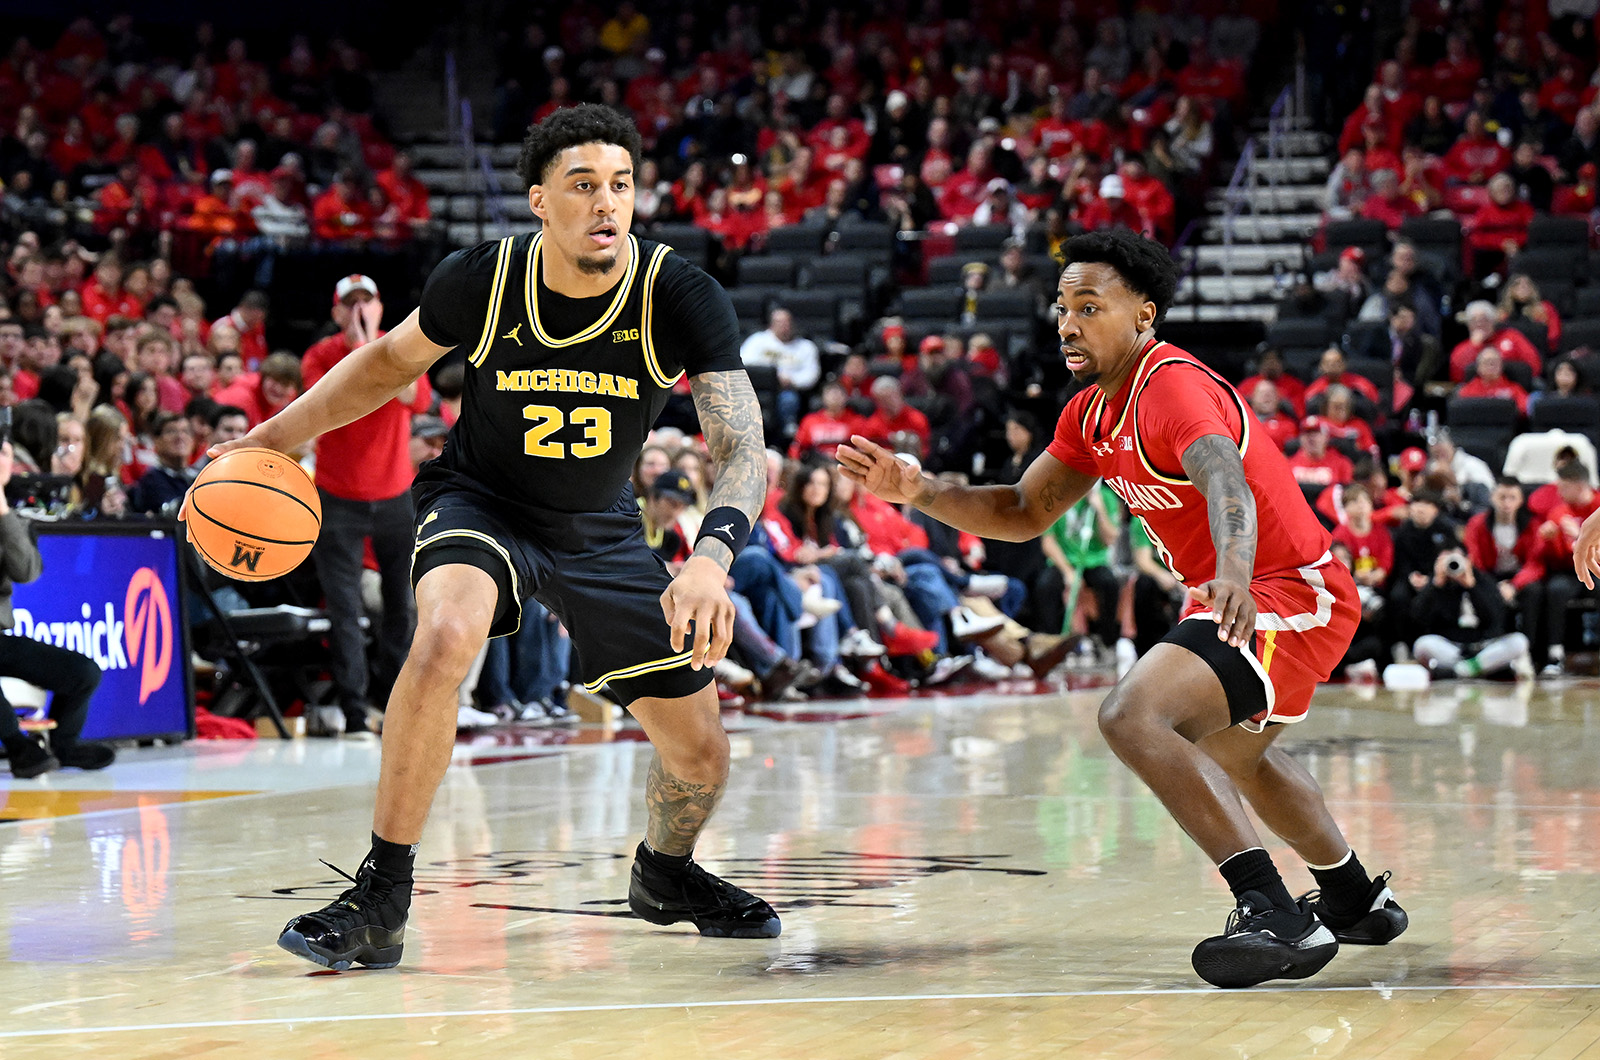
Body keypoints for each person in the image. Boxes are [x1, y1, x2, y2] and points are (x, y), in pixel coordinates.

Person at [204, 104, 778, 970]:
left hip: (600, 532)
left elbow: (741, 444)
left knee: (700, 755)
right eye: (583, 186)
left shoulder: (678, 292)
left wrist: (710, 554)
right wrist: (272, 438)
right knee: (443, 635)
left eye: (620, 185)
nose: (606, 204)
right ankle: (382, 895)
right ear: (540, 201)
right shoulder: (484, 277)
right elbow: (388, 365)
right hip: (482, 503)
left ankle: (666, 875)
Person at [838, 229, 1405, 989]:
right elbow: (1020, 507)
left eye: (1089, 307)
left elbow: (1225, 479)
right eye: (1062, 307)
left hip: (1287, 589)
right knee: (1235, 753)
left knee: (1132, 715)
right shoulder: (1089, 413)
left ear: (1143, 316)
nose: (1068, 323)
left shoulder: (1169, 385)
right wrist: (921, 493)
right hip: (1250, 589)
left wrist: (1232, 572)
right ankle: (1353, 898)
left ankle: (1276, 913)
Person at [300, 275, 432, 737]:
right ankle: (354, 710)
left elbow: (413, 397)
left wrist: (375, 346)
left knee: (403, 606)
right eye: (350, 303)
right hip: (337, 498)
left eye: (367, 301)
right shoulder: (320, 355)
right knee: (344, 609)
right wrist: (359, 348)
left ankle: (393, 703)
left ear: (380, 307)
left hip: (395, 495)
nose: (359, 310)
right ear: (336, 312)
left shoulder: (402, 347)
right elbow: (334, 400)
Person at [0, 439, 115, 777]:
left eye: (4, 453)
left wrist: (2, 511)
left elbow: (27, 572)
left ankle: (64, 745)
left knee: (83, 672)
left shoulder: (14, 520)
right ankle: (19, 748)